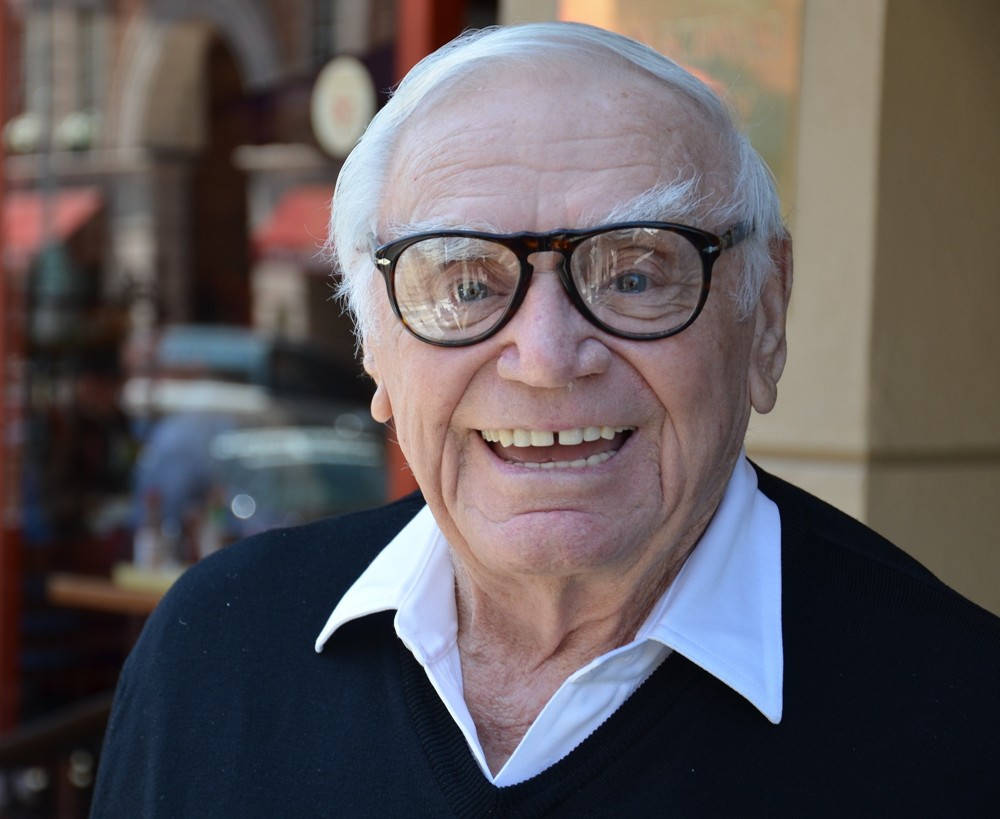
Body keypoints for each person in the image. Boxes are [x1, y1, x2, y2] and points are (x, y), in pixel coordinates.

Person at [91, 22, 999, 817]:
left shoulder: (962, 720)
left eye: (636, 274)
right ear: (376, 349)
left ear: (764, 318)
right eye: (467, 283)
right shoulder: (212, 655)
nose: (549, 356)